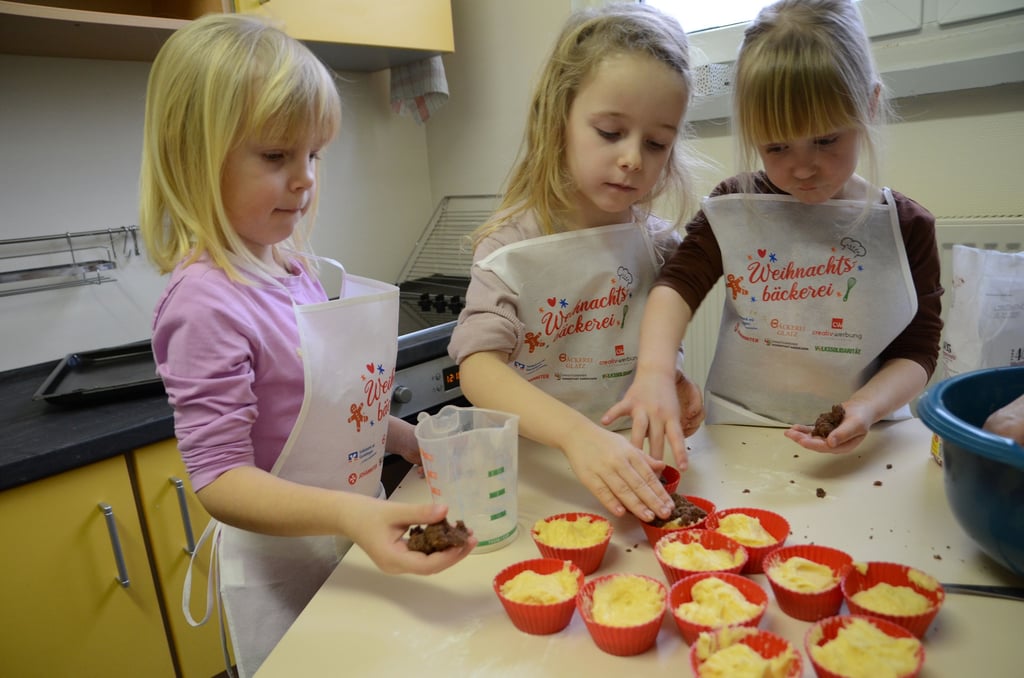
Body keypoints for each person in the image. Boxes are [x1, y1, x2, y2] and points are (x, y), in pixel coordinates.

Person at [139, 14, 474, 677]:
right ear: (193, 156)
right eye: (276, 156)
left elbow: (324, 410)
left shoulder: (293, 269)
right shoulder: (204, 303)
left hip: (352, 536)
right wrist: (351, 515)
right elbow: (220, 480)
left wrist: (406, 440)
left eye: (314, 155)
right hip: (282, 571)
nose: (305, 179)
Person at [605, 0, 943, 460]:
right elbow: (676, 287)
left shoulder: (907, 227)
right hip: (741, 432)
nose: (803, 168)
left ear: (869, 104)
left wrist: (864, 406)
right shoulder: (735, 206)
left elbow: (919, 351)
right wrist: (654, 371)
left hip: (867, 441)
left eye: (826, 140)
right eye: (777, 146)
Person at [448, 3, 705, 524]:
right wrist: (574, 436)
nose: (633, 158)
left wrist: (673, 385)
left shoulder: (660, 246)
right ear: (557, 118)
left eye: (656, 143)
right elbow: (476, 368)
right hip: (538, 473)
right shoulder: (511, 244)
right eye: (611, 132)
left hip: (632, 468)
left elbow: (651, 348)